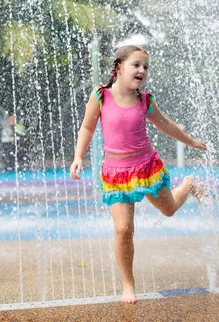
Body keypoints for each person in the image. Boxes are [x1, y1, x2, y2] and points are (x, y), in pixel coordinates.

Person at [69, 45, 208, 304]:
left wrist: (190, 142)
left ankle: (188, 184)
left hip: (146, 168)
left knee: (168, 210)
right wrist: (78, 157)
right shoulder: (100, 96)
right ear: (118, 67)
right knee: (123, 230)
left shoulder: (145, 101)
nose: (142, 70)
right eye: (136, 65)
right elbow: (87, 128)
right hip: (116, 174)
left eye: (145, 66)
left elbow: (165, 124)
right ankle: (128, 285)